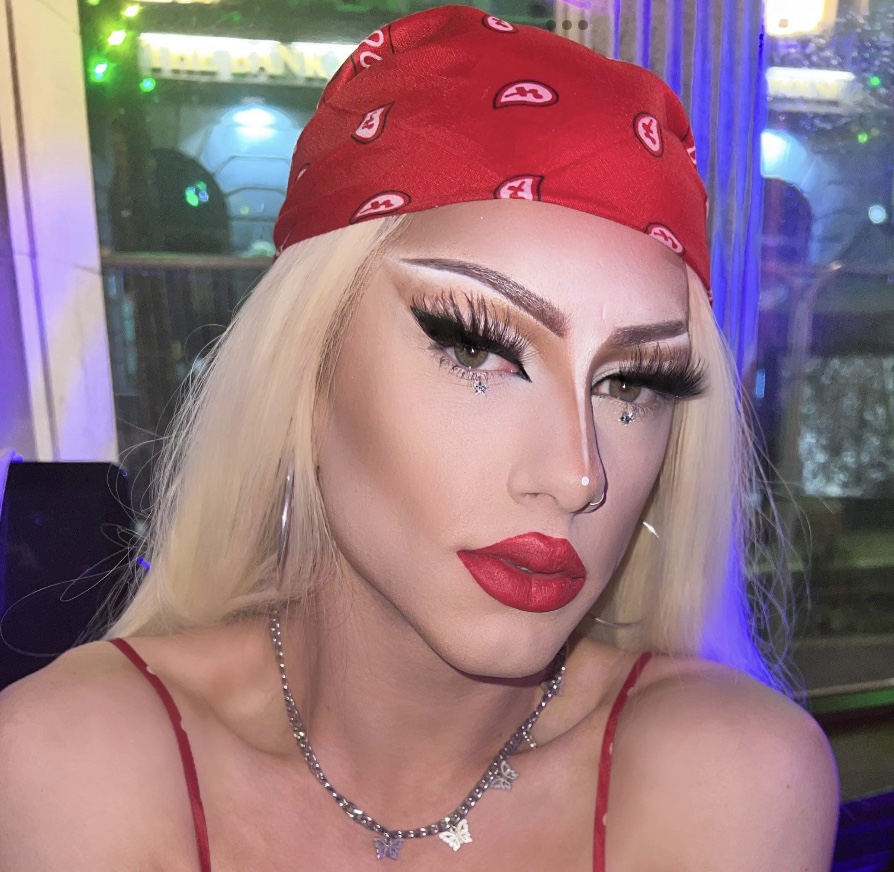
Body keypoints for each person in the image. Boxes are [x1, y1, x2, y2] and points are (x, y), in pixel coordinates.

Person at [0, 5, 838, 870]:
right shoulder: (71, 766)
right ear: (305, 372)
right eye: (475, 348)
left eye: (633, 383)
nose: (577, 475)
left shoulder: (731, 778)